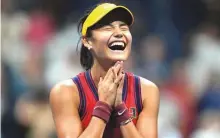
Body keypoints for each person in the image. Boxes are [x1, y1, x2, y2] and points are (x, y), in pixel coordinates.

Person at [50, 2, 159, 138]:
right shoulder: (66, 92)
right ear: (87, 41)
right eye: (108, 28)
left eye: (124, 28)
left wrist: (120, 109)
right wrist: (104, 106)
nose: (119, 33)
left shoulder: (146, 90)